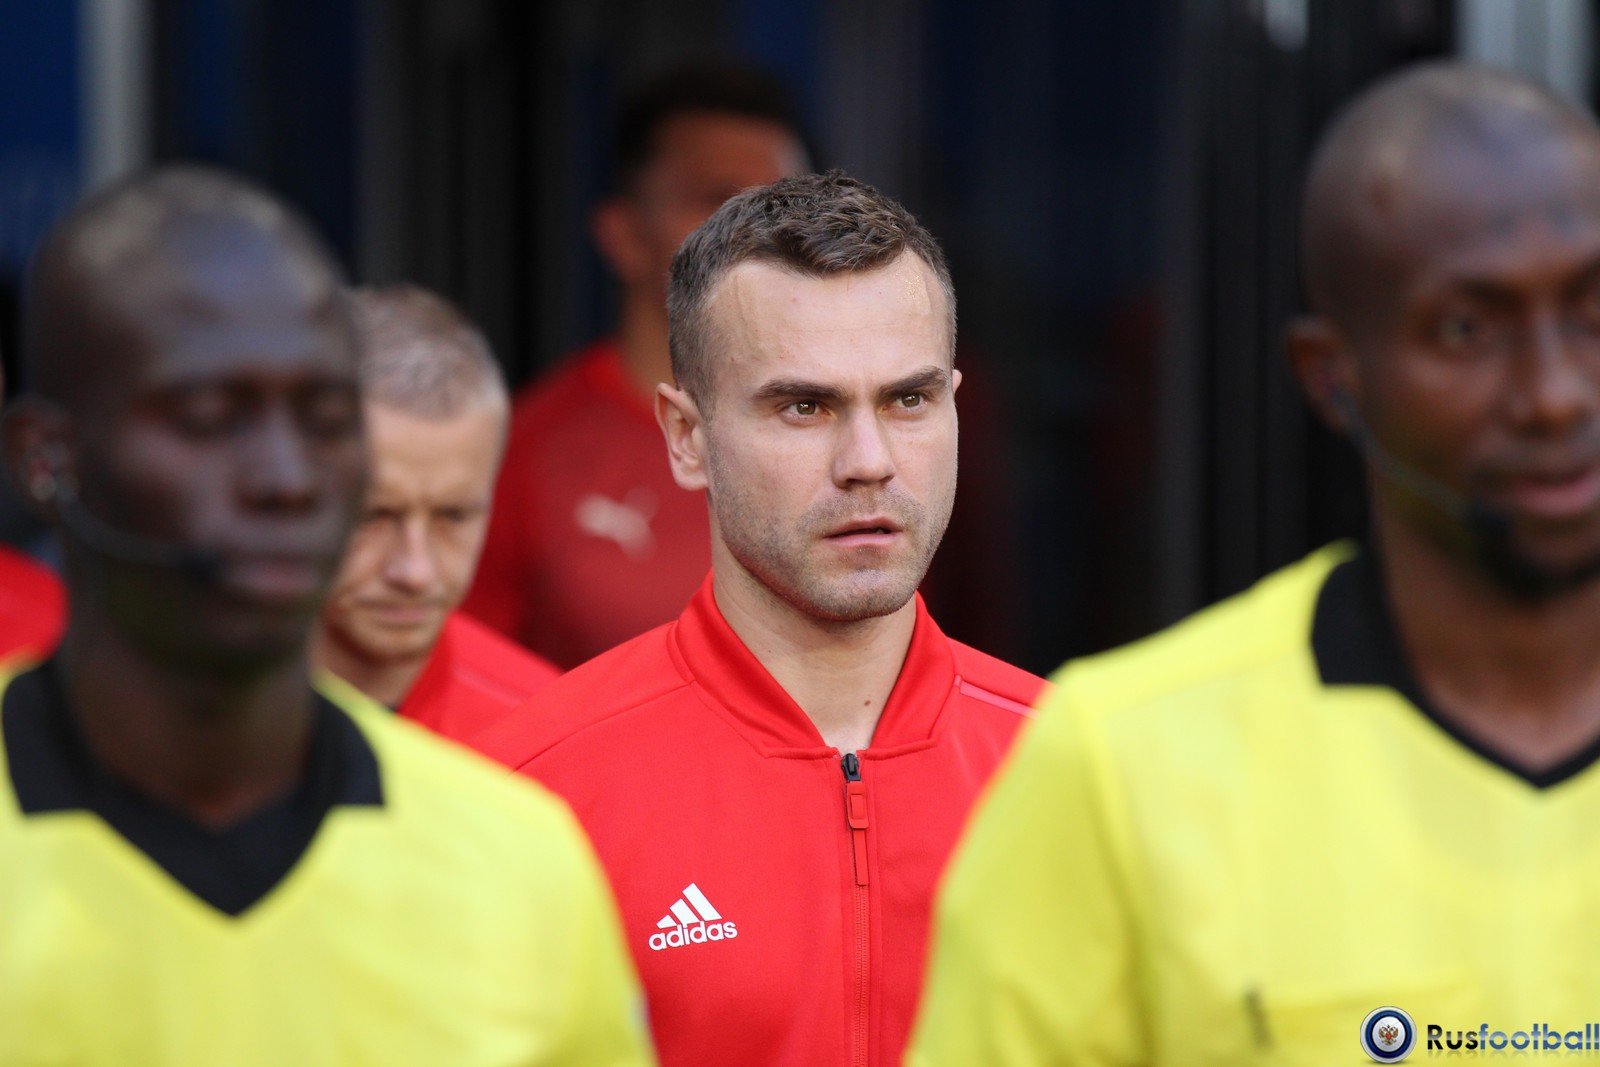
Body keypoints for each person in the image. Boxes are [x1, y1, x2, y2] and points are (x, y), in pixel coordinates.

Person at [910, 62, 1600, 1065]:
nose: (1556, 392)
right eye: (1466, 329)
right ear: (1333, 377)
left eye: (1592, 312)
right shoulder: (1124, 766)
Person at [0, 166, 653, 1066]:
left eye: (325, 418)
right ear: (47, 458)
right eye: (209, 416)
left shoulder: (520, 859)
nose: (286, 476)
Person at [472, 170, 1044, 1067]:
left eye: (909, 399)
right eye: (804, 406)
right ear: (686, 437)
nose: (869, 460)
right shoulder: (525, 797)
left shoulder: (1075, 774)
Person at [464, 62, 811, 666]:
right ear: (624, 235)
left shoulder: (858, 442)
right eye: (717, 200)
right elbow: (467, 687)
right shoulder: (524, 451)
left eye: (781, 206)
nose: (760, 234)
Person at [311, 283, 558, 741]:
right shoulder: (184, 713)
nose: (415, 571)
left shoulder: (547, 732)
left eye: (454, 515)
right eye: (372, 516)